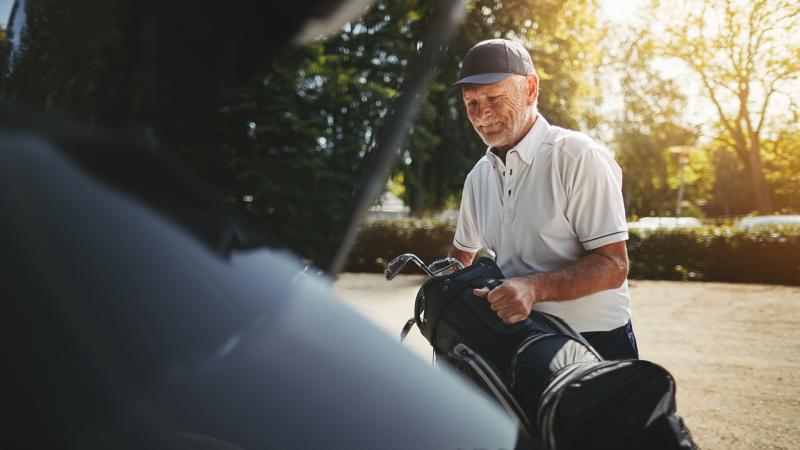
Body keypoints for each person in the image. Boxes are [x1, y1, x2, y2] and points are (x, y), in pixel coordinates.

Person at [447, 38, 638, 360]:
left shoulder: (577, 156)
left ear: (531, 89)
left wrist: (533, 288)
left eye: (495, 97)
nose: (483, 115)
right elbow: (461, 255)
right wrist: (443, 291)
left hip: (595, 343)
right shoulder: (478, 177)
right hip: (520, 343)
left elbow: (614, 264)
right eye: (472, 104)